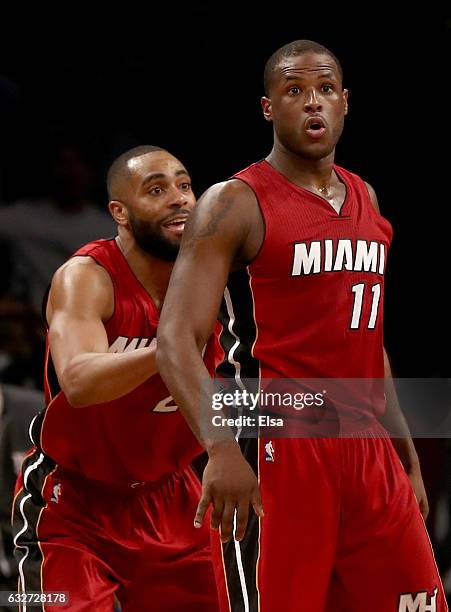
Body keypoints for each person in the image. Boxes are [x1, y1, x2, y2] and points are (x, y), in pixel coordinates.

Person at [156, 41, 447, 610]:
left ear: (345, 103)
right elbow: (175, 342)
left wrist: (405, 455)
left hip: (365, 446)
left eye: (325, 90)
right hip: (276, 438)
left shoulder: (365, 194)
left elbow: (370, 344)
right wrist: (220, 450)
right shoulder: (232, 202)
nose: (312, 103)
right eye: (295, 91)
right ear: (268, 108)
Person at [12, 145, 220, 612]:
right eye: (157, 189)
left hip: (174, 498)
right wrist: (169, 349)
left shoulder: (215, 279)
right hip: (72, 503)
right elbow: (80, 381)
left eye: (185, 185)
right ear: (119, 212)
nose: (179, 198)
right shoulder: (87, 276)